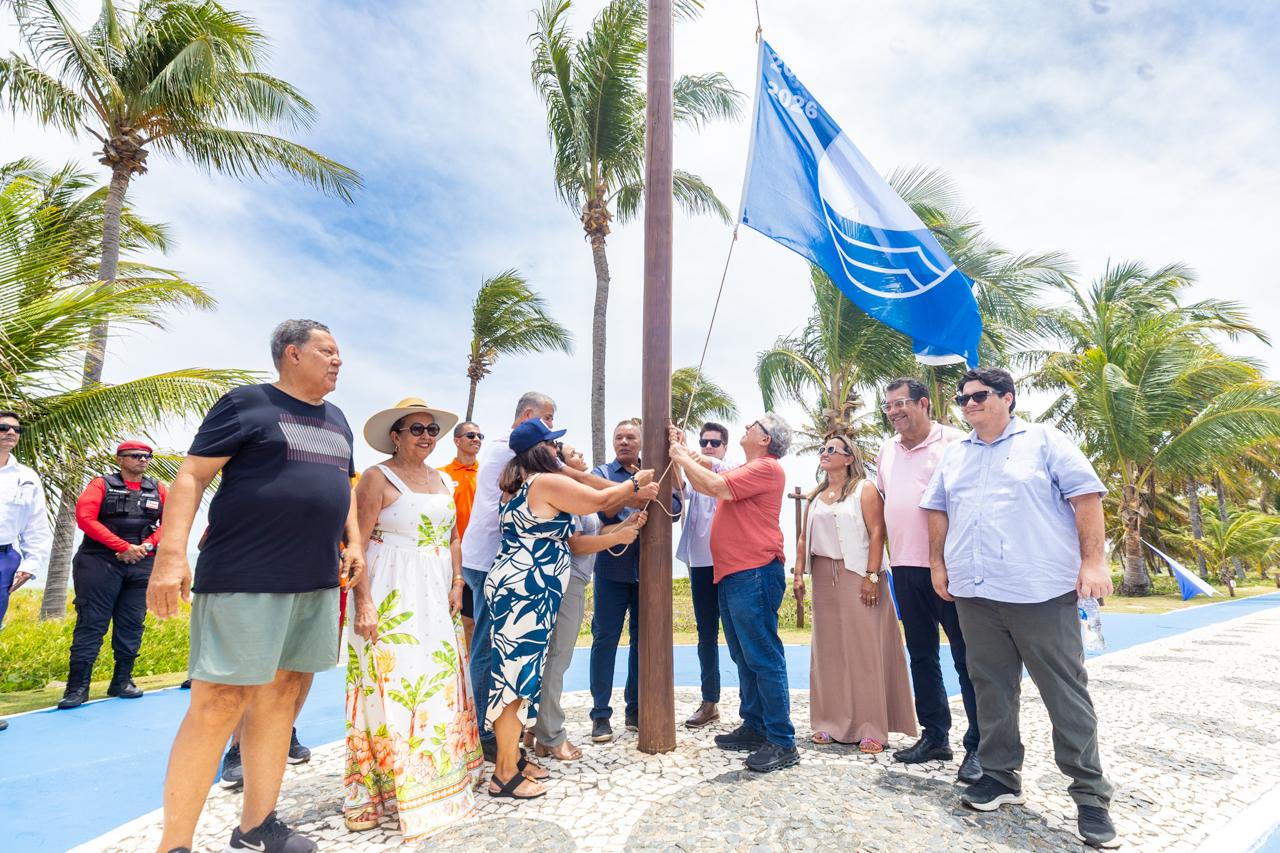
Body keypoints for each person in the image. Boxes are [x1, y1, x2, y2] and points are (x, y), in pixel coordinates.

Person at [147, 320, 364, 853]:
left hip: (314, 580)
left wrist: (354, 541)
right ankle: (174, 845)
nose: (338, 360)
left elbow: (344, 487)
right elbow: (192, 475)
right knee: (220, 702)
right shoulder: (246, 403)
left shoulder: (338, 420)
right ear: (292, 353)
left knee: (283, 698)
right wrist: (171, 555)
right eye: (327, 351)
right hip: (245, 576)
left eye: (339, 353)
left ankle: (257, 827)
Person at [921, 367, 1118, 849]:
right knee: (990, 687)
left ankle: (1090, 796)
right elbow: (937, 509)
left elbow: (1086, 497)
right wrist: (937, 567)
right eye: (963, 399)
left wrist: (1094, 562)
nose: (969, 405)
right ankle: (1000, 775)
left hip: (1040, 592)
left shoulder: (1046, 441)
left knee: (1064, 693)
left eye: (979, 396)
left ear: (1008, 398)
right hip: (976, 593)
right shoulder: (955, 456)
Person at [485, 419, 658, 799]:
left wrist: (621, 523)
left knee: (522, 676)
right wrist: (634, 484)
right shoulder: (545, 482)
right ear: (542, 450)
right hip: (526, 589)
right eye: (553, 445)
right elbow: (597, 500)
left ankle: (513, 758)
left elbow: (575, 525)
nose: (558, 451)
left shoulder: (518, 485)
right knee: (515, 681)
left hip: (523, 586)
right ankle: (503, 775)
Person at [343, 398, 483, 840]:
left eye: (431, 429)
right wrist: (362, 603)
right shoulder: (375, 477)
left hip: (436, 591)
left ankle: (441, 780)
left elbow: (455, 535)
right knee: (391, 686)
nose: (426, 436)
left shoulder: (442, 479)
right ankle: (384, 789)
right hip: (390, 591)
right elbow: (357, 547)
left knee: (438, 682)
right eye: (416, 428)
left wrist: (458, 581)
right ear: (396, 435)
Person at [460, 392, 618, 762]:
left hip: (509, 568)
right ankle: (493, 742)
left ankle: (510, 740)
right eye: (549, 429)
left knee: (515, 658)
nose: (556, 443)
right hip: (504, 567)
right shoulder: (518, 462)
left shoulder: (520, 473)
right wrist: (633, 488)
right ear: (529, 420)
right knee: (497, 654)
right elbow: (583, 490)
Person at [669, 414, 798, 774]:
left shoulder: (767, 468)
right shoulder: (748, 468)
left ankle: (782, 740)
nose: (746, 428)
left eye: (754, 426)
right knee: (744, 655)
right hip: (736, 573)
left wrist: (679, 455)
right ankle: (755, 725)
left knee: (763, 655)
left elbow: (713, 485)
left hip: (753, 571)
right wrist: (685, 452)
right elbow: (709, 468)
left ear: (766, 439)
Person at [876, 377, 981, 783]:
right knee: (921, 655)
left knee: (966, 658)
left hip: (948, 568)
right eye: (888, 406)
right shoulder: (887, 449)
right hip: (903, 567)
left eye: (900, 403)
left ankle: (979, 746)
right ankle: (935, 736)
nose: (894, 411)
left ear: (923, 403)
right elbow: (889, 502)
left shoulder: (956, 443)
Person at [794, 435, 916, 753]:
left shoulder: (865, 489)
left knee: (864, 651)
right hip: (823, 576)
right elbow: (804, 538)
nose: (824, 453)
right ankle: (829, 722)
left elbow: (878, 532)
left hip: (858, 574)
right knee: (829, 652)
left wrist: (872, 575)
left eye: (831, 449)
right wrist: (797, 574)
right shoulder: (817, 496)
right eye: (822, 449)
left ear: (849, 457)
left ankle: (871, 725)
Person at [532, 442, 647, 761]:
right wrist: (632, 495)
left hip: (572, 579)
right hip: (566, 578)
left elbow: (600, 523)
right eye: (574, 454)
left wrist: (625, 525)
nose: (582, 456)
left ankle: (538, 731)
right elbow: (578, 544)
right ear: (560, 463)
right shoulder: (567, 491)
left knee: (550, 657)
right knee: (557, 657)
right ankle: (552, 733)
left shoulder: (570, 492)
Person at [588, 419, 682, 743]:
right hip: (611, 573)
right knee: (604, 641)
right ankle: (600, 714)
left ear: (641, 442)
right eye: (619, 436)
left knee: (641, 643)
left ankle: (635, 709)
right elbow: (601, 507)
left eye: (631, 436)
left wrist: (667, 474)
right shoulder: (601, 474)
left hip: (647, 575)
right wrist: (637, 495)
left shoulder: (657, 472)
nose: (624, 441)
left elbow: (675, 506)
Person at [58, 440, 167, 710]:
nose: (142, 460)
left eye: (147, 456)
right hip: (100, 561)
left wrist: (147, 546)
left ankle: (122, 680)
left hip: (142, 561)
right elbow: (85, 518)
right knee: (91, 623)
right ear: (120, 459)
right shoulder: (101, 484)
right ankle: (77, 688)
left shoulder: (158, 488)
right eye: (135, 456)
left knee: (132, 623)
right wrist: (122, 547)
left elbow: (172, 520)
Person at [673, 422, 731, 729]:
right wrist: (675, 454)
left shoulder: (729, 470)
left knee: (738, 637)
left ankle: (754, 705)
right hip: (698, 564)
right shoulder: (695, 478)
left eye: (714, 442)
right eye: (704, 442)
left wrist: (684, 451)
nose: (708, 446)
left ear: (724, 447)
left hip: (728, 564)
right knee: (705, 636)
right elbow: (679, 488)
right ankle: (710, 702)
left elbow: (709, 469)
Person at [0, 410, 52, 732]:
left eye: (16, 429)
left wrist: (31, 566)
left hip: (4, 558)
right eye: (3, 427)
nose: (10, 433)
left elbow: (36, 525)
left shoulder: (27, 476)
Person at [441, 421, 482, 650]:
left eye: (479, 435)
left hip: (477, 558)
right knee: (447, 617)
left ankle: (471, 675)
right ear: (457, 441)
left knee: (473, 621)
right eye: (471, 435)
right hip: (448, 559)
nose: (476, 439)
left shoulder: (486, 475)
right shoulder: (442, 475)